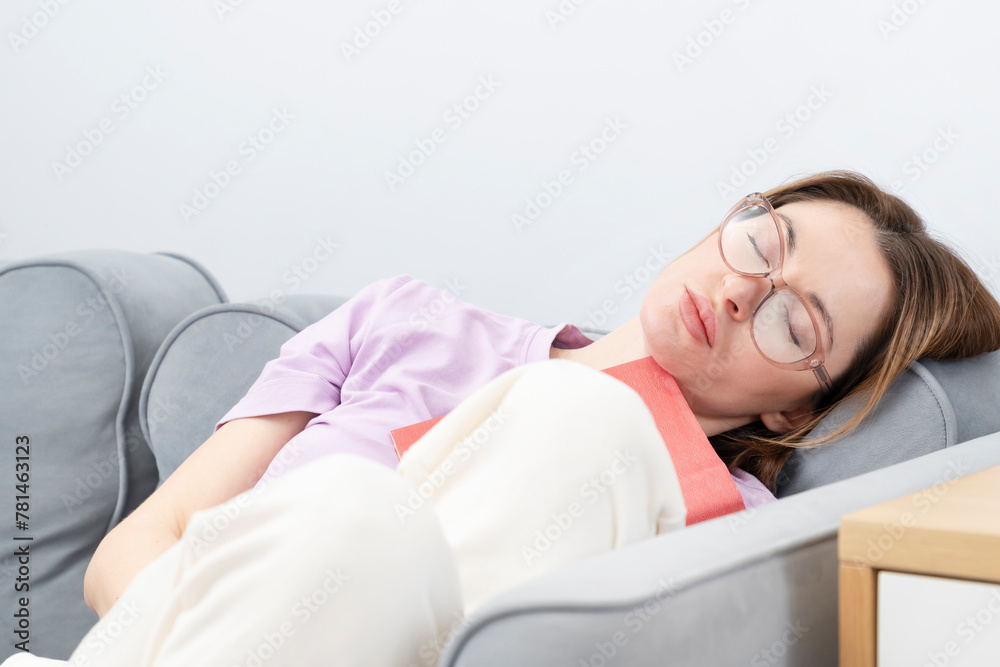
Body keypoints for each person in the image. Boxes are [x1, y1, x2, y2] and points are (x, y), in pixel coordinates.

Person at [8, 170, 1000, 667]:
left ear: (795, 403)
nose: (746, 291)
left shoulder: (722, 528)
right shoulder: (403, 320)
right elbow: (128, 557)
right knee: (344, 515)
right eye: (760, 240)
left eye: (794, 320)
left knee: (567, 430)